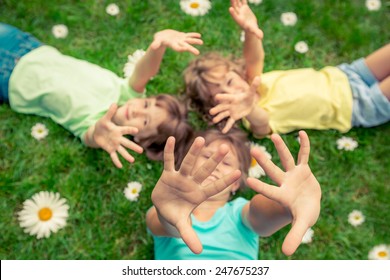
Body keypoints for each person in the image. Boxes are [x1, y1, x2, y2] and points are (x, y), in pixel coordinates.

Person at [0, 23, 201, 167]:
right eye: (147, 104)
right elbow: (145, 72)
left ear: (143, 140)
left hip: (9, 81)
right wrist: (159, 45)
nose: (138, 111)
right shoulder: (127, 93)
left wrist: (99, 134)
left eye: (146, 122)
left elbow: (91, 136)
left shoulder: (101, 125)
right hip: (26, 47)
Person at [183, 0, 390, 137]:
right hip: (358, 106)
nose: (232, 92)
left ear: (237, 73)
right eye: (222, 97)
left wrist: (251, 30)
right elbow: (262, 126)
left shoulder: (254, 81)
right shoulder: (251, 116)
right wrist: (250, 108)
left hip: (346, 75)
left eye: (229, 82)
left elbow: (253, 57)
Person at [146, 128, 321, 259]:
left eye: (227, 163)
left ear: (235, 183)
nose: (215, 165)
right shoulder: (165, 208)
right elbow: (161, 224)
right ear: (188, 164)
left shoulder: (238, 212)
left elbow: (259, 216)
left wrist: (284, 206)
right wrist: (169, 215)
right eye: (207, 157)